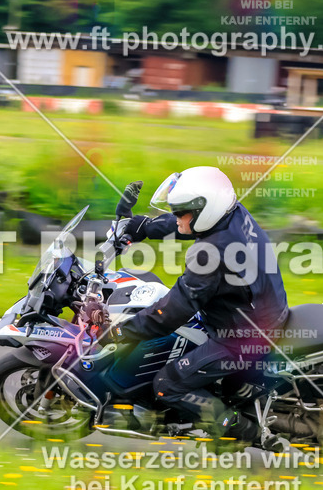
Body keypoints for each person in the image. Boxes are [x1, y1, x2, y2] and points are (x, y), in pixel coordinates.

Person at [107, 167, 289, 449]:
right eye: (177, 212)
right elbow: (191, 225)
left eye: (182, 213)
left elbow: (171, 313)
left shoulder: (210, 256)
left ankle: (239, 433)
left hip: (244, 337)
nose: (178, 218)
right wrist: (144, 227)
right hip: (260, 310)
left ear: (206, 210)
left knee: (167, 385)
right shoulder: (234, 214)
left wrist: (122, 330)